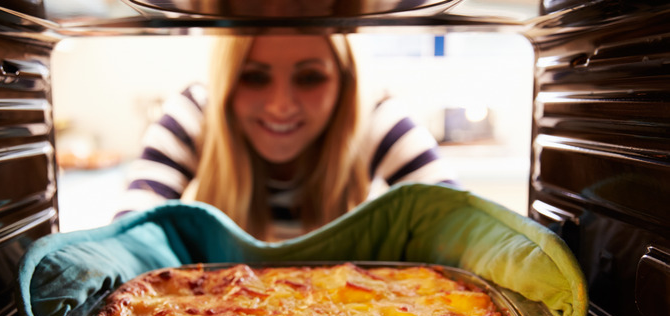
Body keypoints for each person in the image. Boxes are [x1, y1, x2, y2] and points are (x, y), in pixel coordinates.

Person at [117, 32, 457, 241]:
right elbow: (131, 231)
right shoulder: (196, 114)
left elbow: (458, 224)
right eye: (254, 77)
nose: (281, 106)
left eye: (309, 77)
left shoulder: (375, 118)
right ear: (226, 83)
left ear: (344, 81)